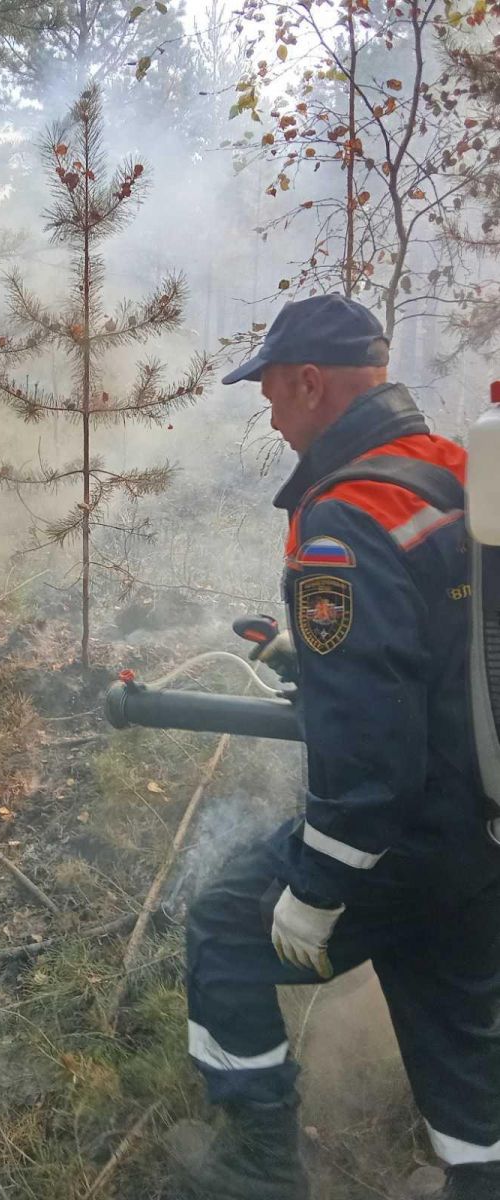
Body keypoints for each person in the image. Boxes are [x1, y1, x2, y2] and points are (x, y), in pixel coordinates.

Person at [172, 295, 500, 1200]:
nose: (272, 418)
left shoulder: (345, 517)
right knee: (460, 1041)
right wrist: (313, 660)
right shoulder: (447, 471)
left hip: (407, 837)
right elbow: (437, 643)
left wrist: (320, 888)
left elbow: (370, 756)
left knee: (225, 928)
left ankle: (256, 1171)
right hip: (483, 831)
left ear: (312, 382)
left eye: (273, 395)